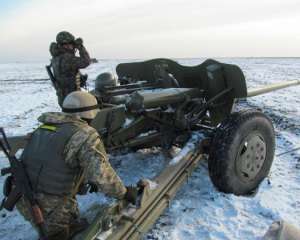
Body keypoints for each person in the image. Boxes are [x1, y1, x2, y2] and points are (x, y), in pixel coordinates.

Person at [16, 91, 128, 240]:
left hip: (23, 199)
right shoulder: (84, 134)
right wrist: (124, 193)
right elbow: (101, 174)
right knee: (60, 234)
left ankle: (62, 227)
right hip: (51, 207)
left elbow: (54, 162)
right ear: (89, 114)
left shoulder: (44, 128)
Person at [50, 31, 91, 107]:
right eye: (72, 44)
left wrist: (80, 77)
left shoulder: (56, 57)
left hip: (63, 98)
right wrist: (81, 47)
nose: (73, 46)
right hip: (73, 99)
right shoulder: (67, 58)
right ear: (66, 45)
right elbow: (86, 61)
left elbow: (66, 74)